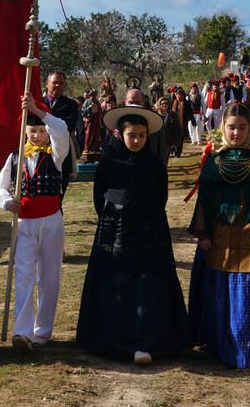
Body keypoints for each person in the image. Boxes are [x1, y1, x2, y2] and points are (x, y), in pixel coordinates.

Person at [77, 105, 190, 364]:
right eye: (132, 135)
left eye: (142, 135)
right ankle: (111, 340)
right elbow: (99, 196)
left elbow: (161, 195)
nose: (137, 140)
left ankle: (146, 340)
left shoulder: (154, 163)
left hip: (150, 230)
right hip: (114, 229)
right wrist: (113, 215)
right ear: (120, 134)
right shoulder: (108, 161)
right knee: (115, 281)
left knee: (147, 284)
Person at [187, 103, 250, 369]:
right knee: (220, 287)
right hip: (220, 235)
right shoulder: (213, 158)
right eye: (231, 127)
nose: (236, 133)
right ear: (223, 127)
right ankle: (221, 344)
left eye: (242, 127)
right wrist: (202, 234)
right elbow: (205, 199)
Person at [0, 92, 69, 352]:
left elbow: (62, 130)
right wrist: (5, 202)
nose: (36, 135)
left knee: (49, 276)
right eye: (32, 130)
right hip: (24, 223)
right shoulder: (15, 158)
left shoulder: (56, 155)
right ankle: (22, 332)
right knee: (24, 275)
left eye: (40, 130)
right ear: (25, 131)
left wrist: (40, 110)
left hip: (50, 221)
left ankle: (42, 331)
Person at [42, 71, 79, 197]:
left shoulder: (71, 105)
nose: (58, 85)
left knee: (58, 195)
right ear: (47, 84)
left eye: (61, 83)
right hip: (39, 155)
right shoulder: (37, 104)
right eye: (55, 82)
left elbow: (68, 126)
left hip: (61, 155)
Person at [171, 88, 195, 157]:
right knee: (173, 138)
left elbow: (190, 113)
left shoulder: (186, 103)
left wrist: (193, 122)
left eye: (181, 95)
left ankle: (178, 153)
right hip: (173, 123)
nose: (179, 96)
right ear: (176, 95)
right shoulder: (173, 102)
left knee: (180, 139)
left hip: (182, 124)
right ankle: (173, 151)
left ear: (183, 96)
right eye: (178, 95)